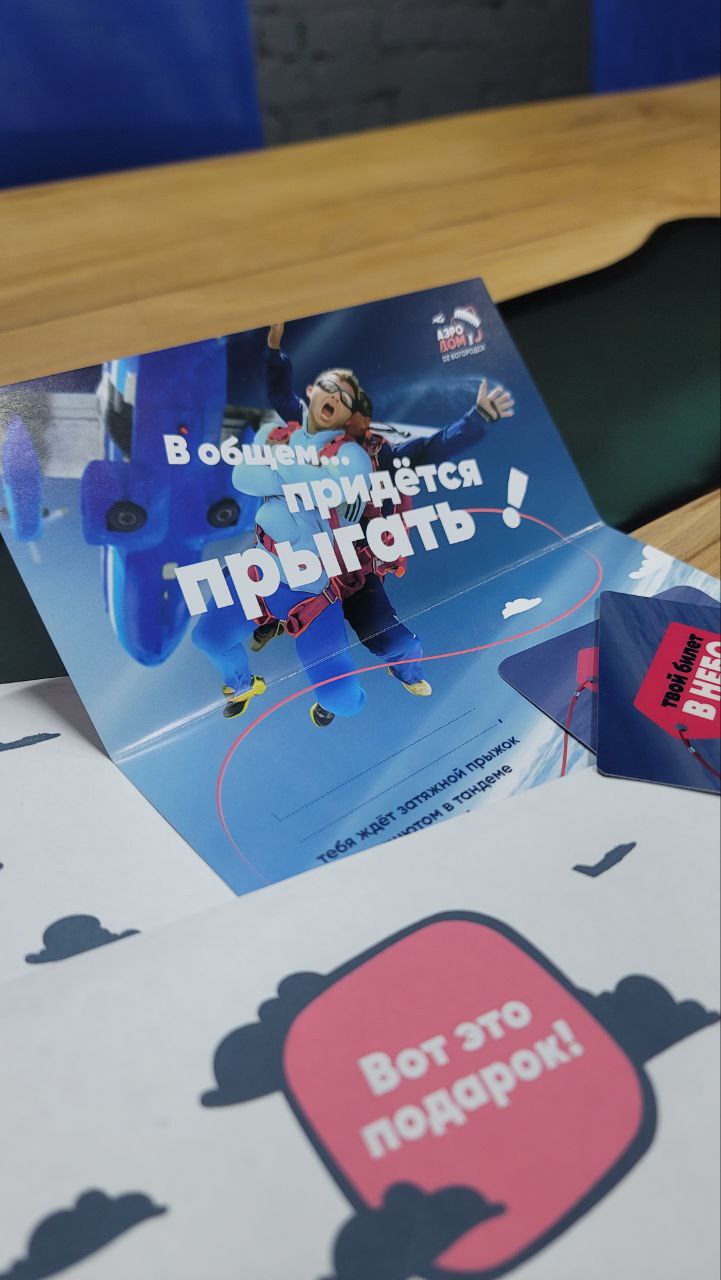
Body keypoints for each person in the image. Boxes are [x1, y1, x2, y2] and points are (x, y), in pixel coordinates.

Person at [257, 322, 515, 705]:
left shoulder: (380, 455)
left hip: (355, 569)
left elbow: (429, 448)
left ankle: (405, 669)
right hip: (302, 555)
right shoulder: (308, 431)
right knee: (261, 585)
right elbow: (282, 396)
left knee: (395, 640)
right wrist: (274, 351)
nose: (334, 408)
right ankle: (269, 620)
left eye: (345, 402)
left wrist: (476, 419)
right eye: (328, 393)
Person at [192, 360, 374, 724]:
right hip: (259, 572)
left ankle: (330, 702)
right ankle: (243, 684)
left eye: (345, 399)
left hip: (310, 592)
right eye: (329, 387)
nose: (335, 397)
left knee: (341, 700)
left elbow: (330, 490)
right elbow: (243, 478)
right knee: (209, 638)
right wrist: (305, 478)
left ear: (348, 416)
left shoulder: (352, 455)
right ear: (311, 391)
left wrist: (278, 463)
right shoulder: (273, 432)